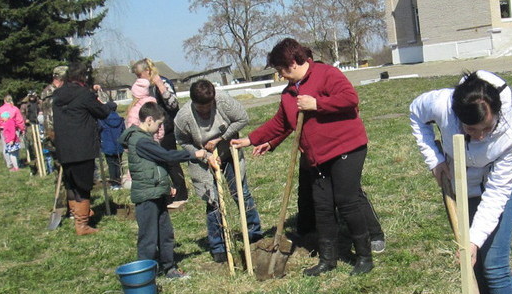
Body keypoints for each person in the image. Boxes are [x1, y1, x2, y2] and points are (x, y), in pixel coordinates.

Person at [410, 70, 512, 294]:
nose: (481, 136)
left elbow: (499, 191)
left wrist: (474, 239)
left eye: (486, 128)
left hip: (494, 192)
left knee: (494, 265)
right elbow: (414, 112)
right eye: (472, 129)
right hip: (459, 191)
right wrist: (434, 160)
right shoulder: (442, 105)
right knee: (473, 267)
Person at [231, 38, 374, 276]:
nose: (281, 75)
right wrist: (251, 139)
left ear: (294, 62)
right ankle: (328, 259)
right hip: (317, 157)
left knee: (346, 202)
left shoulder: (327, 74)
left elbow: (350, 99)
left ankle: (364, 256)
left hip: (346, 148)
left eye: (281, 69)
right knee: (323, 207)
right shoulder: (288, 94)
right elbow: (280, 122)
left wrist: (317, 103)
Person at [174, 79, 263, 263]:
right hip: (204, 161)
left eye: (208, 106)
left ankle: (255, 234)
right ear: (193, 102)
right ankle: (218, 246)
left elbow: (243, 118)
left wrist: (221, 138)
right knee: (213, 201)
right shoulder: (183, 117)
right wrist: (205, 156)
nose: (206, 111)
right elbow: (182, 141)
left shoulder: (223, 101)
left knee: (241, 193)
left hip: (228, 153)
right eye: (201, 107)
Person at [119, 102, 208, 279]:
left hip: (156, 192)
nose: (160, 129)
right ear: (149, 120)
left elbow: (157, 166)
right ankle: (145, 275)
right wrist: (193, 155)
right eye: (159, 124)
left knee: (165, 234)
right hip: (146, 197)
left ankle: (169, 267)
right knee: (148, 238)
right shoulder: (140, 141)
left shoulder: (145, 139)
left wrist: (167, 187)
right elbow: (166, 156)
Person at [52, 61, 116, 235]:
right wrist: (110, 105)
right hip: (82, 147)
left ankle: (79, 215)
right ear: (83, 76)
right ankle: (82, 225)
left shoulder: (57, 95)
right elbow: (101, 112)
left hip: (64, 147)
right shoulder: (83, 94)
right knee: (83, 186)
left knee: (72, 185)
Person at [132, 58, 187, 209]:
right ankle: (166, 193)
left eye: (139, 74)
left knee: (171, 162)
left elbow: (173, 105)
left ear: (148, 71)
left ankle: (181, 193)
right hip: (149, 130)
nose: (138, 78)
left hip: (166, 127)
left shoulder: (163, 82)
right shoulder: (142, 87)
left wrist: (160, 86)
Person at [98, 101, 125, 189]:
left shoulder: (102, 120)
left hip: (108, 146)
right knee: (119, 164)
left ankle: (114, 184)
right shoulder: (120, 119)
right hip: (119, 145)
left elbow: (97, 131)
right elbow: (123, 132)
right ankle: (120, 181)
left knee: (111, 165)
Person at [0, 95, 26, 172]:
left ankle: (10, 164)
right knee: (15, 147)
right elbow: (19, 120)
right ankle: (16, 163)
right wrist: (22, 128)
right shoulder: (15, 108)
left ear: (4, 100)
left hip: (4, 130)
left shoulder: (0, 109)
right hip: (14, 129)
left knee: (6, 147)